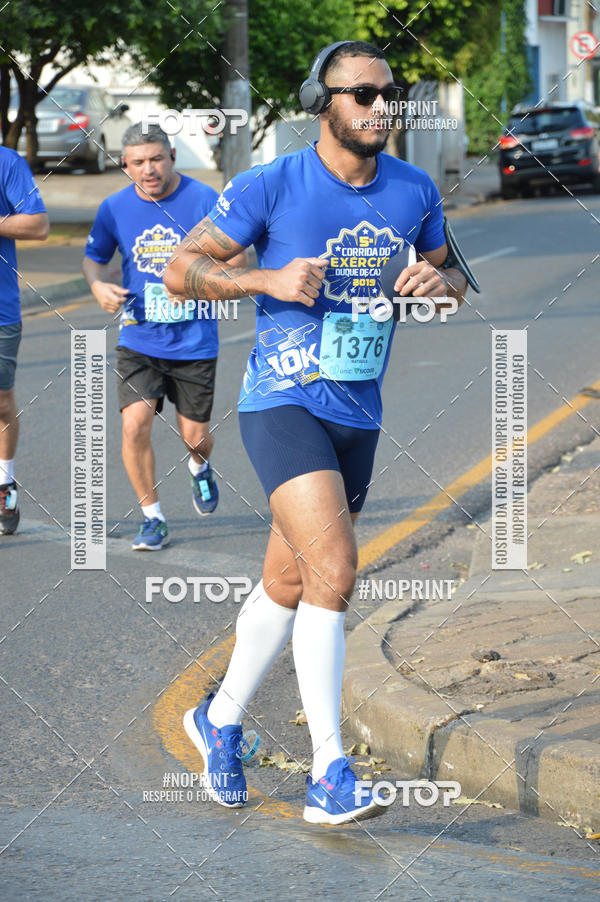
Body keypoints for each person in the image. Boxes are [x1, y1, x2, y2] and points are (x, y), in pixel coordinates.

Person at [164, 41, 468, 824]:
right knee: (334, 565)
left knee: (293, 581)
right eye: (362, 94)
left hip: (358, 413)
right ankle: (330, 771)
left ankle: (218, 718)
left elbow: (455, 280)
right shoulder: (272, 183)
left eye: (390, 93)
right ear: (320, 102)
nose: (381, 107)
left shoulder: (414, 189)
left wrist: (439, 283)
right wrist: (262, 277)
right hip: (282, 402)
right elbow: (180, 269)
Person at [83, 123, 245, 550]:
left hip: (194, 341)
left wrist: (193, 285)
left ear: (172, 155)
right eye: (138, 162)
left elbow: (239, 257)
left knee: (195, 437)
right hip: (138, 338)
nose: (149, 169)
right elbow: (93, 259)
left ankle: (199, 467)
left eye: (156, 159)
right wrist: (98, 286)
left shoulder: (202, 199)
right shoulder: (113, 207)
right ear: (125, 164)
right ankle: (152, 517)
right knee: (134, 425)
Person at [0, 147, 49, 535]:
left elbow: (37, 226)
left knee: (1, 402)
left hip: (0, 310)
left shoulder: (7, 162)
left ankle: (4, 482)